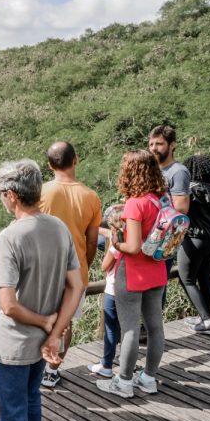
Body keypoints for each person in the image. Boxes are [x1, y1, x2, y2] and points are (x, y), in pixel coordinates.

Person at [0, 159, 83, 421]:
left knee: (11, 413)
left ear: (12, 195)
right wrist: (55, 330)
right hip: (44, 343)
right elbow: (76, 285)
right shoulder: (57, 227)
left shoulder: (9, 238)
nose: (1, 198)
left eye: (1, 193)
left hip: (14, 343)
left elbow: (9, 305)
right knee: (31, 400)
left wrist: (46, 324)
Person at [97, 150, 168, 398]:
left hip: (133, 273)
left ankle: (124, 381)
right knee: (156, 327)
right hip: (156, 271)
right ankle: (148, 378)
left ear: (131, 172)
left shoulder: (135, 204)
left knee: (129, 329)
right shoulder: (159, 199)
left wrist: (115, 241)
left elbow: (134, 247)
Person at [38, 141, 102, 388]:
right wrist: (84, 264)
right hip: (76, 271)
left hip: (44, 271)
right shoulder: (91, 197)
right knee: (66, 323)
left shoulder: (41, 193)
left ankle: (34, 368)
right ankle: (52, 370)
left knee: (37, 319)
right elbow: (93, 240)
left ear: (49, 165)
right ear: (76, 160)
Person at [178, 154, 210, 334]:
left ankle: (206, 321)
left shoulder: (192, 189)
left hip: (195, 237)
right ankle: (204, 317)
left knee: (186, 278)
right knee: (205, 275)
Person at [149, 125, 189, 307]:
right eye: (151, 144)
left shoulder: (178, 172)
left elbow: (181, 208)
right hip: (149, 234)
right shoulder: (152, 169)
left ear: (172, 145)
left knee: (158, 284)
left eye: (159, 144)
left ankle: (154, 327)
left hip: (166, 237)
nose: (154, 148)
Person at [88, 205, 124, 377]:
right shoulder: (135, 239)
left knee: (111, 327)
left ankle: (107, 365)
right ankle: (126, 363)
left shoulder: (116, 246)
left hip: (113, 289)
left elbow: (104, 266)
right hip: (131, 289)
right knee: (126, 327)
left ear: (112, 226)